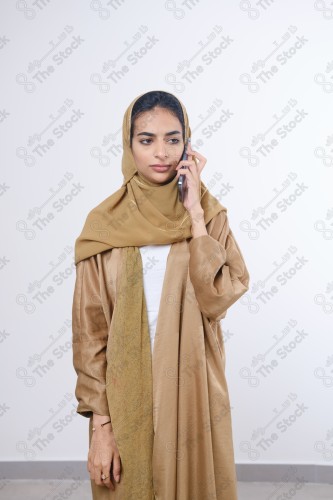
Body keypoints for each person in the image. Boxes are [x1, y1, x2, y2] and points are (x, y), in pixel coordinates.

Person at [72, 90, 250, 499]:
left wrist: (195, 216)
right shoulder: (104, 225)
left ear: (188, 144)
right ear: (128, 144)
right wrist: (100, 426)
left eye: (173, 139)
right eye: (146, 139)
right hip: (123, 398)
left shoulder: (208, 214)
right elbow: (90, 335)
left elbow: (219, 297)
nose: (161, 153)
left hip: (193, 395)